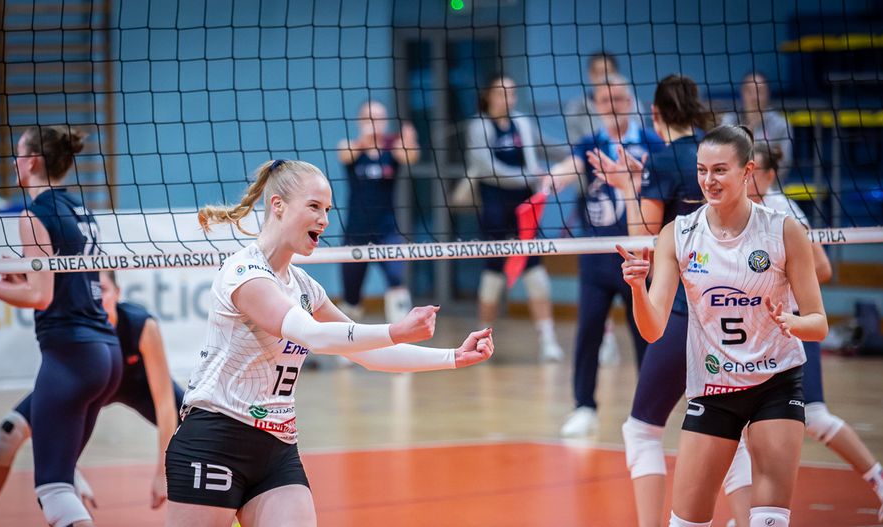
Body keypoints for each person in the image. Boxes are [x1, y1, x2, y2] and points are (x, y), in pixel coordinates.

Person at [165, 159, 494, 527]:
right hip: (216, 439)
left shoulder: (305, 286)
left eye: (327, 210)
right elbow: (313, 336)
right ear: (278, 206)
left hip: (277, 448)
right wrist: (395, 329)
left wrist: (453, 356)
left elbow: (367, 354)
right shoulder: (244, 274)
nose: (324, 220)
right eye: (314, 207)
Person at [619, 124, 828, 527]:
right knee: (686, 521)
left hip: (775, 382)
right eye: (702, 170)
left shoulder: (784, 231)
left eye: (719, 170)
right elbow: (653, 330)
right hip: (714, 388)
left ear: (747, 171)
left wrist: (792, 323)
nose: (708, 180)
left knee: (768, 520)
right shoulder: (678, 234)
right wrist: (637, 289)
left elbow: (819, 324)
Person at [587, 75, 753, 527]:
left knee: (641, 429)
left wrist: (629, 188)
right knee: (729, 433)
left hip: (684, 308)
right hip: (734, 307)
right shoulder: (720, 156)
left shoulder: (661, 160)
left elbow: (645, 238)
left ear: (655, 114)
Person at [0, 126, 121, 527]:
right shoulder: (81, 210)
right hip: (105, 355)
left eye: (19, 154)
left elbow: (40, 297)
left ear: (33, 161)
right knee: (43, 464)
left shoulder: (34, 213)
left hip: (71, 356)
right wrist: (19, 275)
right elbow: (77, 282)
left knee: (53, 490)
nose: (14, 162)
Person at [751, 145, 883, 527]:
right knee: (742, 422)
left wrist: (778, 286)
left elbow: (821, 268)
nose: (744, 176)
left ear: (768, 175)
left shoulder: (782, 209)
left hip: (793, 325)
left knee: (815, 416)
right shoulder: (739, 212)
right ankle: (747, 510)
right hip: (759, 331)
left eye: (751, 171)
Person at [0, 271, 183, 526]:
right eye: (92, 292)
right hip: (85, 384)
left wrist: (163, 473)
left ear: (118, 293)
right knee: (8, 433)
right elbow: (57, 409)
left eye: (102, 291)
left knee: (195, 423)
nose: (96, 299)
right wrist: (70, 468)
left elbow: (165, 405)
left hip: (135, 387)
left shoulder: (140, 324)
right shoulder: (76, 328)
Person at [548, 75, 664, 436]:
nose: (612, 105)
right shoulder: (590, 144)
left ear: (629, 101)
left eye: (618, 98)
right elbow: (568, 167)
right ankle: (584, 407)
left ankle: (648, 411)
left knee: (645, 335)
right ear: (596, 106)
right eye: (604, 99)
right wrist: (553, 178)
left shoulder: (651, 143)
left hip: (639, 255)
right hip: (596, 255)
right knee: (588, 332)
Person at [465, 75, 562, 361]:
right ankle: (481, 342)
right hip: (494, 207)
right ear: (489, 95)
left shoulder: (521, 122)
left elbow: (542, 148)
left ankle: (548, 340)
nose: (507, 98)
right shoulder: (479, 125)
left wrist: (575, 154)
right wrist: (527, 175)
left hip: (524, 208)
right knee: (493, 274)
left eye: (511, 92)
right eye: (501, 92)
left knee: (535, 274)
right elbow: (486, 166)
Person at [337, 101, 420, 323]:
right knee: (351, 297)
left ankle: (403, 336)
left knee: (396, 280)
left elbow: (411, 156)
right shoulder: (350, 147)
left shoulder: (393, 151)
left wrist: (410, 141)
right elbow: (344, 154)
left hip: (387, 231)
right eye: (369, 118)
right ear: (360, 122)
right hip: (356, 233)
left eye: (380, 118)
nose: (375, 123)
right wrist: (367, 140)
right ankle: (347, 342)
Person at [721, 72, 793, 176]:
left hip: (769, 184)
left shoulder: (781, 124)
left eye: (759, 91)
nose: (754, 96)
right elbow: (723, 158)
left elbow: (784, 165)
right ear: (742, 93)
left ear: (768, 93)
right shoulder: (729, 121)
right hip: (737, 181)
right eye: (749, 91)